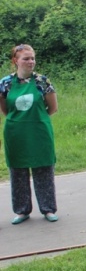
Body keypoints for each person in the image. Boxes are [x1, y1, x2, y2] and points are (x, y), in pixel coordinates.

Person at [0, 44, 59, 224]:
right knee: (18, 171)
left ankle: (48, 209)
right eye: (26, 58)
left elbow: (53, 107)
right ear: (15, 61)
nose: (30, 62)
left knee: (43, 169)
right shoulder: (5, 83)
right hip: (15, 134)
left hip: (39, 132)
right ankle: (22, 210)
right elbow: (5, 110)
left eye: (32, 58)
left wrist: (36, 120)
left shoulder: (43, 81)